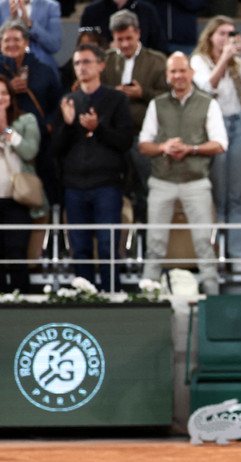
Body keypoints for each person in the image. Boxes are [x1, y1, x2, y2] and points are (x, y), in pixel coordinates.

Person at [138, 52, 227, 296]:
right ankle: (148, 298)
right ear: (167, 75)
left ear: (191, 73)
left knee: (203, 244)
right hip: (162, 181)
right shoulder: (157, 104)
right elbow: (144, 144)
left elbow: (221, 143)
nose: (178, 76)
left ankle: (212, 298)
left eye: (182, 70)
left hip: (196, 182)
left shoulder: (208, 102)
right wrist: (164, 148)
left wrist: (191, 149)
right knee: (154, 244)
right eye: (173, 72)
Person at [52, 43, 133, 292]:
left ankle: (111, 294)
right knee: (80, 247)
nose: (81, 67)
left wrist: (98, 128)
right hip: (75, 186)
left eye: (86, 62)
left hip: (106, 185)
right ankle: (84, 298)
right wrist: (67, 125)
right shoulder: (69, 101)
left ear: (101, 65)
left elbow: (125, 141)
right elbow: (56, 150)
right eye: (77, 63)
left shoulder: (116, 99)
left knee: (109, 246)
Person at [192, 16, 241, 275]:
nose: (227, 38)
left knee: (236, 197)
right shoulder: (199, 60)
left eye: (231, 33)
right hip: (214, 127)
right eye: (222, 33)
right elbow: (208, 87)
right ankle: (219, 255)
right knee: (219, 198)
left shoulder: (237, 60)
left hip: (239, 125)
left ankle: (237, 256)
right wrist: (224, 59)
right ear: (210, 36)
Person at [100, 9, 167, 222]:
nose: (125, 44)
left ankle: (147, 239)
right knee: (115, 190)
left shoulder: (157, 61)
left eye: (129, 38)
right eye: (120, 39)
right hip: (112, 139)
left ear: (138, 33)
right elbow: (94, 93)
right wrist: (114, 94)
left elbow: (170, 98)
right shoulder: (104, 61)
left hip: (145, 138)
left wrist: (143, 93)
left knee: (148, 189)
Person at [0, 19, 60, 204]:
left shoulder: (43, 70)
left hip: (39, 140)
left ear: (26, 42)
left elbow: (58, 101)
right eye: (6, 40)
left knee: (43, 187)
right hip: (3, 138)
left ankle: (46, 226)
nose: (11, 44)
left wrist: (50, 124)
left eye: (16, 40)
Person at [0, 74, 39, 293]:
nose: (0, 98)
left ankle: (20, 301)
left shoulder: (26, 120)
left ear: (11, 96)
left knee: (16, 252)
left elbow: (30, 151)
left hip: (17, 199)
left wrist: (6, 130)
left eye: (4, 93)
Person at [80, 0, 167, 55]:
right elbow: (83, 48)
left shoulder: (147, 11)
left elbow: (160, 48)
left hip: (142, 72)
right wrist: (108, 48)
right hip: (103, 71)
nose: (125, 44)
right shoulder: (91, 12)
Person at [0, 0, 61, 77]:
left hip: (41, 69)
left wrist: (30, 24)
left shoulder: (51, 6)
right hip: (6, 70)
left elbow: (54, 45)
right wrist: (12, 23)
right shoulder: (1, 6)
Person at [61, 27, 107, 92]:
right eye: (83, 45)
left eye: (91, 45)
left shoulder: (110, 63)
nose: (87, 49)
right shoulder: (68, 69)